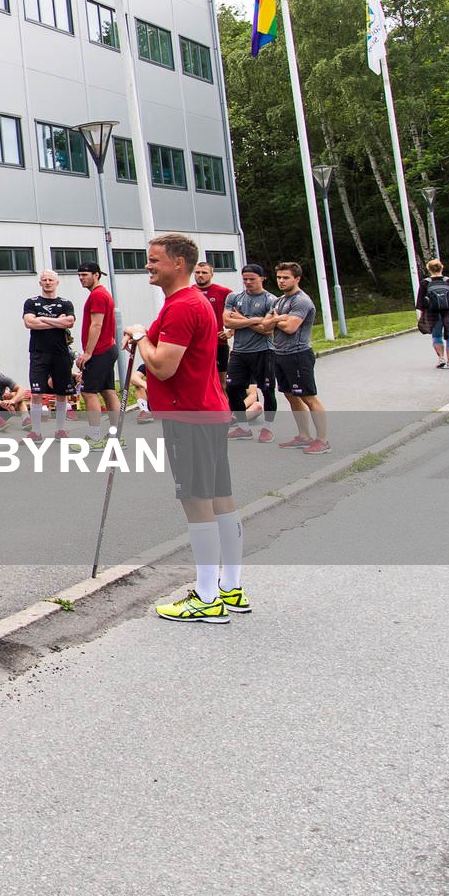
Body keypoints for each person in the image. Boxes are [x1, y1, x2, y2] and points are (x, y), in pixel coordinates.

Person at [126, 233, 243, 624]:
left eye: (154, 260)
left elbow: (162, 365)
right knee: (220, 497)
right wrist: (143, 340)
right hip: (207, 410)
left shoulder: (182, 306)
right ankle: (231, 587)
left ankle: (208, 597)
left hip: (189, 415)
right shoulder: (185, 302)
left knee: (197, 501)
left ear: (178, 262)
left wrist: (141, 337)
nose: (149, 266)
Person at [261, 262, 327, 455]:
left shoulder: (302, 301)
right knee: (291, 396)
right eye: (279, 277)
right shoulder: (278, 301)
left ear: (296, 279)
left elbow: (291, 328)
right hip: (279, 354)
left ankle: (322, 440)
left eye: (286, 277)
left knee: (308, 397)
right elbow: (265, 327)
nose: (281, 281)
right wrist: (278, 319)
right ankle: (304, 435)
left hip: (298, 355)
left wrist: (275, 319)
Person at [221, 263, 279, 442]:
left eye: (252, 279)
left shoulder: (271, 300)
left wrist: (241, 318)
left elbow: (267, 330)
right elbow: (227, 322)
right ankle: (243, 427)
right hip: (239, 352)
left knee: (267, 390)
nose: (247, 282)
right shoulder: (234, 297)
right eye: (245, 279)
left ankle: (267, 428)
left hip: (263, 351)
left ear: (262, 278)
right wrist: (255, 320)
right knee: (232, 388)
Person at [21, 272, 77, 441]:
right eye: (44, 280)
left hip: (60, 354)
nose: (47, 282)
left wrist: (42, 320)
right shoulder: (31, 302)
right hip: (39, 353)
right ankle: (36, 432)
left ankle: (60, 430)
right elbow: (29, 323)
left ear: (57, 282)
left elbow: (69, 322)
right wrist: (56, 321)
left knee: (62, 392)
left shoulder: (65, 303)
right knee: (37, 392)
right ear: (40, 282)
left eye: (50, 280)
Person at [73, 263, 120, 446]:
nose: (81, 278)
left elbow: (97, 325)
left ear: (96, 275)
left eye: (85, 274)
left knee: (89, 392)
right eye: (79, 275)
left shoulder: (98, 295)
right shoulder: (101, 294)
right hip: (107, 349)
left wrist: (87, 353)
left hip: (100, 351)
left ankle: (94, 437)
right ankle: (115, 434)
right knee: (108, 391)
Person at [416, 259, 449, 370]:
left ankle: (441, 358)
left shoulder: (425, 283)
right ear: (441, 267)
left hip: (433, 314)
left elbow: (420, 302)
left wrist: (421, 316)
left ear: (429, 269)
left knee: (436, 336)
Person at [193, 261, 234, 379]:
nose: (200, 275)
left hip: (218, 344)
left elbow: (240, 314)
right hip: (197, 345)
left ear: (211, 274)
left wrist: (230, 332)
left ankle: (225, 398)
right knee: (201, 380)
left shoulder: (224, 293)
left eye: (204, 272)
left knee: (222, 382)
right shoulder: (189, 292)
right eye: (197, 272)